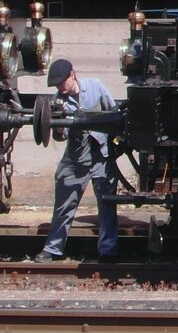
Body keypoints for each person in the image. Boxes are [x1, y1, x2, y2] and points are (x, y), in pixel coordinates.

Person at [33, 59, 118, 262]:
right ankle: (53, 248)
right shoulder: (57, 101)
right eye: (57, 85)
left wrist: (116, 141)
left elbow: (114, 113)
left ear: (73, 74)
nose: (60, 87)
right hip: (75, 157)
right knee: (64, 204)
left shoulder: (95, 86)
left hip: (101, 155)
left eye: (62, 82)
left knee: (107, 204)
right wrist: (60, 129)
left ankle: (108, 251)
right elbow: (58, 136)